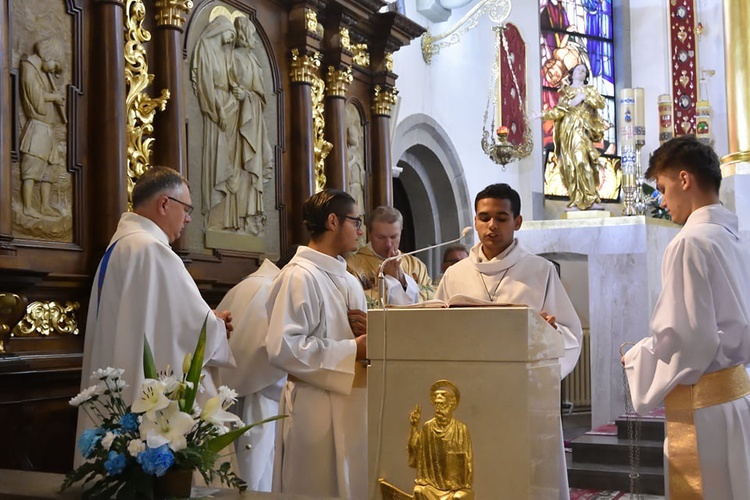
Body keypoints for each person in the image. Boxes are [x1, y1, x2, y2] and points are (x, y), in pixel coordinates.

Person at [436, 183, 582, 500]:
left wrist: (546, 334)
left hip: (523, 395)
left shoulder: (540, 271)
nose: (492, 226)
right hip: (468, 394)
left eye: (501, 218)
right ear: (474, 220)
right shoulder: (455, 275)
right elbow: (437, 331)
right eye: (484, 217)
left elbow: (570, 336)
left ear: (517, 222)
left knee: (522, 480)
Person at [622, 135, 750, 499]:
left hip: (705, 409)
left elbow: (688, 339)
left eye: (662, 188)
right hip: (737, 397)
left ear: (684, 179)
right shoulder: (732, 237)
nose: (662, 201)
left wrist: (636, 358)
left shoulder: (688, 242)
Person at [77, 166, 235, 457]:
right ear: (164, 203)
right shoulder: (153, 250)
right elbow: (192, 332)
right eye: (186, 209)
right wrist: (216, 325)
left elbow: (160, 320)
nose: (188, 218)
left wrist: (206, 320)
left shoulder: (121, 247)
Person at [265, 189, 368, 498]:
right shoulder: (299, 276)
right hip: (314, 408)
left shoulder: (349, 279)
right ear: (333, 221)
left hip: (355, 405)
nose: (360, 231)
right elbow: (283, 347)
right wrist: (354, 349)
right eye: (356, 221)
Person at [217, 246, 297, 492]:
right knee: (258, 475)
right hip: (262, 399)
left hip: (238, 394)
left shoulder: (248, 284)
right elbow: (267, 354)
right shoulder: (268, 289)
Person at [191, 15, 240, 226]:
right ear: (220, 29)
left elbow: (230, 78)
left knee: (230, 159)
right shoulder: (205, 47)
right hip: (215, 107)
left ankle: (226, 215)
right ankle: (212, 208)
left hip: (229, 107)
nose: (231, 41)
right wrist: (217, 110)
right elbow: (205, 83)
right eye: (230, 35)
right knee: (217, 155)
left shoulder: (225, 52)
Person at [542, 63, 608, 210]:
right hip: (567, 131)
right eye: (579, 70)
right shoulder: (565, 92)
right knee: (570, 165)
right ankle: (577, 198)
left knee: (582, 161)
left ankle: (590, 197)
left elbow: (601, 103)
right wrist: (540, 115)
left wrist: (584, 97)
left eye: (584, 71)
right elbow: (558, 111)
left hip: (582, 129)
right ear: (572, 73)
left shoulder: (589, 90)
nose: (581, 72)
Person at [231, 16, 273, 235]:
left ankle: (251, 217)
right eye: (250, 33)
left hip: (253, 119)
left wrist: (247, 95)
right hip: (237, 122)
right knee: (240, 167)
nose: (252, 38)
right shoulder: (235, 57)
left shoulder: (254, 61)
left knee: (252, 166)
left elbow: (260, 94)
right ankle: (238, 216)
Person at [346, 205, 434, 306]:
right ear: (369, 234)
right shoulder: (352, 266)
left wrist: (403, 282)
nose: (388, 244)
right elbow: (355, 303)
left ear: (401, 232)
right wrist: (389, 282)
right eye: (381, 237)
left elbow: (432, 297)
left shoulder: (415, 265)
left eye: (393, 237)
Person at [19, 38, 66, 218]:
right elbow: (37, 101)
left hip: (48, 129)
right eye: (55, 65)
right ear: (48, 55)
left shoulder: (40, 71)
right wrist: (53, 98)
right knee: (32, 168)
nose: (54, 70)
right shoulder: (29, 70)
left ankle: (45, 206)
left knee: (49, 168)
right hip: (37, 128)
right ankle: (28, 207)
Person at [408, 380, 474, 500]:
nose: (438, 409)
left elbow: (467, 462)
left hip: (453, 488)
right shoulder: (427, 428)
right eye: (436, 405)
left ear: (452, 405)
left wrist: (464, 485)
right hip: (431, 486)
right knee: (418, 490)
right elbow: (416, 454)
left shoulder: (461, 429)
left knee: (459, 497)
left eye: (442, 405)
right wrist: (414, 427)